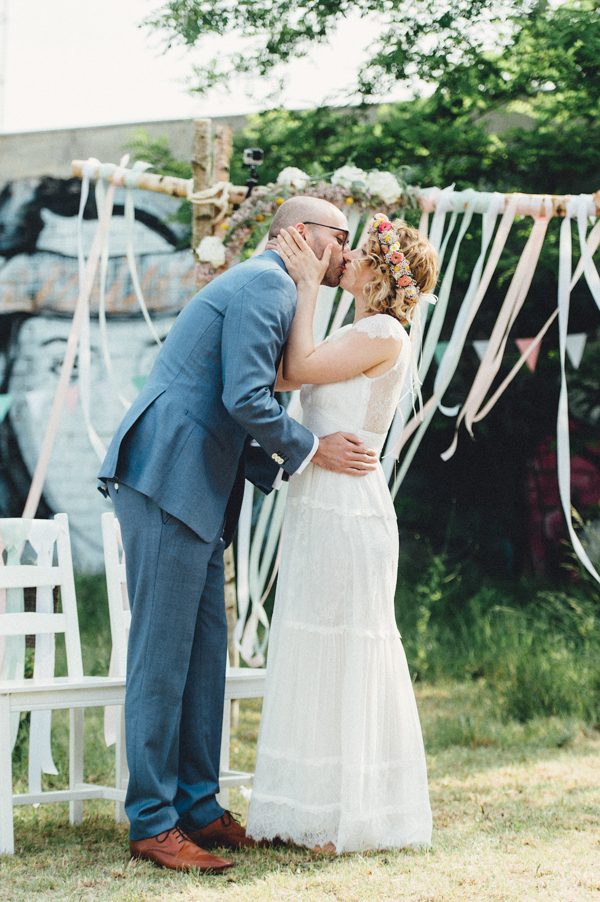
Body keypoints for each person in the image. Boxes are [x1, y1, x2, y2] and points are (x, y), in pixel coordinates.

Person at [97, 196, 379, 873]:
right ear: (303, 235)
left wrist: (287, 459)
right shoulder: (264, 283)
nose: (348, 252)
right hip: (169, 476)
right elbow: (247, 398)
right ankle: (153, 821)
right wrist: (312, 450)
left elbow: (239, 395)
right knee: (162, 657)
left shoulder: (278, 287)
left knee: (203, 655)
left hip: (196, 486)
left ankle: (197, 805)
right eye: (342, 238)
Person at [246, 214, 438, 853]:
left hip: (349, 509)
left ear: (382, 271)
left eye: (361, 250)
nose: (345, 255)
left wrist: (302, 284)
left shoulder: (383, 330)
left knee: (346, 649)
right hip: (317, 502)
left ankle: (348, 816)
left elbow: (296, 370)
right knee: (312, 643)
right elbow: (280, 377)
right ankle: (308, 810)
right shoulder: (356, 328)